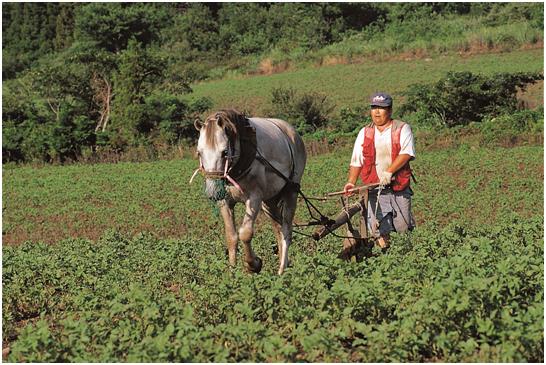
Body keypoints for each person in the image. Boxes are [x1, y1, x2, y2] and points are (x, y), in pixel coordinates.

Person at [343, 92, 416, 250]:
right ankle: (386, 256)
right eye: (374, 108)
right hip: (375, 189)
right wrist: (351, 182)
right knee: (379, 230)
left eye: (381, 108)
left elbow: (407, 153)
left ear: (389, 111)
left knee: (403, 228)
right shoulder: (365, 133)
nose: (376, 112)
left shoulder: (402, 129)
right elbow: (357, 160)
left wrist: (389, 172)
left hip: (399, 188)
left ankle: (405, 257)